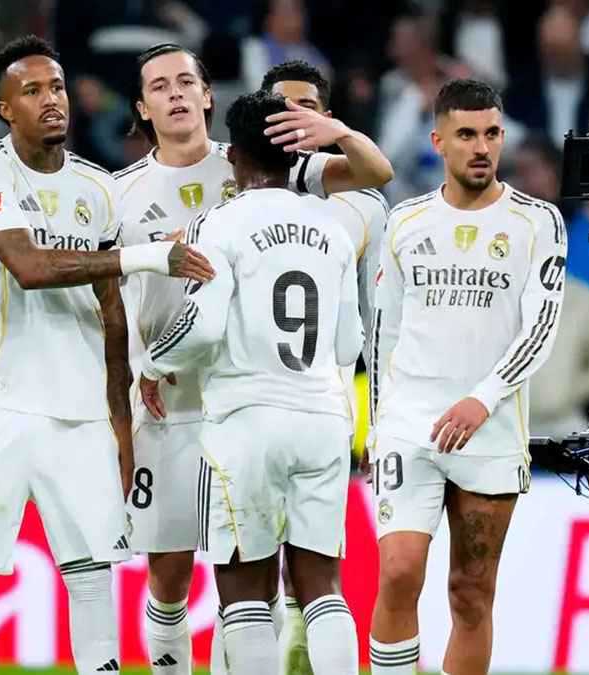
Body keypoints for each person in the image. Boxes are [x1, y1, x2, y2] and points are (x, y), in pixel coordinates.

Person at [0, 35, 214, 675]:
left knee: (90, 579)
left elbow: (112, 314)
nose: (50, 99)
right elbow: (28, 267)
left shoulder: (97, 187)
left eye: (56, 86)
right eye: (31, 91)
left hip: (82, 415)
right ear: (5, 109)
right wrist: (146, 255)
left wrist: (121, 426)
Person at [112, 43, 391, 675]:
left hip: (236, 413)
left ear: (233, 153)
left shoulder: (223, 220)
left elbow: (202, 326)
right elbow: (349, 343)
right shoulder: (331, 226)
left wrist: (152, 363)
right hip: (318, 415)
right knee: (320, 587)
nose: (176, 94)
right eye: (160, 85)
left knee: (242, 594)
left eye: (187, 81)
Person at [368, 79, 567, 675]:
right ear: (438, 142)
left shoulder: (538, 222)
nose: (481, 147)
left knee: (471, 593)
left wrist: (482, 399)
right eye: (466, 134)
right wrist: (377, 424)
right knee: (398, 572)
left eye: (492, 133)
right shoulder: (404, 221)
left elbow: (541, 327)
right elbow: (383, 334)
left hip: (491, 430)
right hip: (410, 425)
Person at [260, 58, 391, 675]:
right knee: (249, 570)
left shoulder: (364, 206)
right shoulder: (234, 187)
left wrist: (377, 421)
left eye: (306, 107)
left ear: (329, 117)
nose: (293, 119)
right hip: (243, 396)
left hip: (325, 399)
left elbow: (378, 323)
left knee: (312, 569)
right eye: (280, 108)